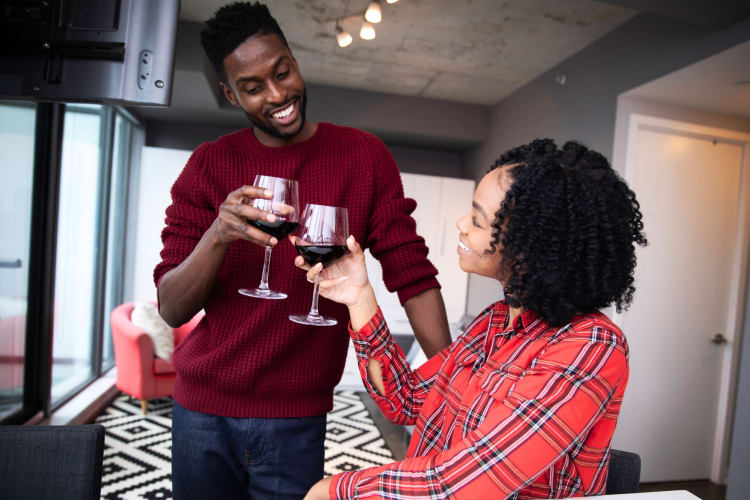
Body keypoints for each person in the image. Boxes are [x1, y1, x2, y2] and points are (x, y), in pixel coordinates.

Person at [154, 2, 452, 498]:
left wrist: (450, 384)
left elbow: (412, 274)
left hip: (297, 417)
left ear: (294, 61)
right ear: (230, 95)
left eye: (283, 72)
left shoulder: (363, 157)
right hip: (202, 411)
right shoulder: (209, 165)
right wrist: (218, 234)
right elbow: (172, 307)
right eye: (253, 87)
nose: (278, 95)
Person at [300, 139, 648, 499]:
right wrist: (359, 296)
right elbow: (405, 400)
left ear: (531, 248)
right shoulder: (493, 322)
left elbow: (464, 484)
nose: (462, 224)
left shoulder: (590, 346)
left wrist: (336, 489)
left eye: (478, 220)